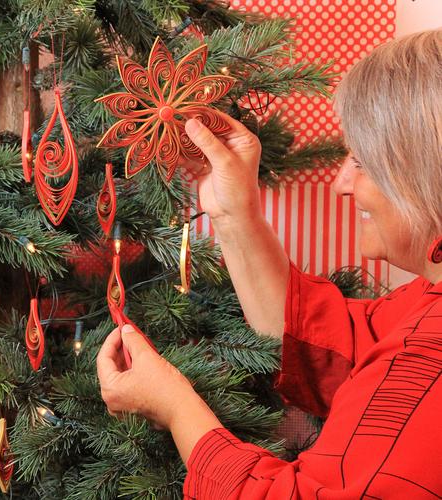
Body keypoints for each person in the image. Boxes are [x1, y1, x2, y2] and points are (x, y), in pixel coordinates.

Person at [97, 29, 442, 499]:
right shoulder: (426, 302)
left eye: (362, 161)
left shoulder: (431, 361)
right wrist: (234, 210)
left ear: (423, 174)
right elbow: (337, 344)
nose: (341, 185)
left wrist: (176, 406)